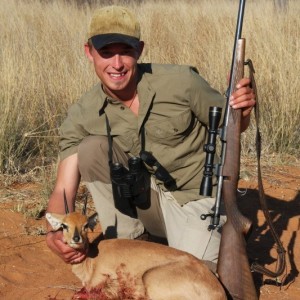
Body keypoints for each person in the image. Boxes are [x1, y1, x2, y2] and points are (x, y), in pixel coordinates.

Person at [46, 6, 256, 268]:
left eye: (126, 52)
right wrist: (54, 231)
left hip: (195, 201)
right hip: (147, 204)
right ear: (89, 52)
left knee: (194, 276)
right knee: (91, 148)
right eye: (107, 53)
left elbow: (232, 127)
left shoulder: (182, 82)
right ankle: (130, 240)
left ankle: (213, 234)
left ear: (140, 50)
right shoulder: (82, 112)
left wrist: (242, 110)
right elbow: (63, 188)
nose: (117, 64)